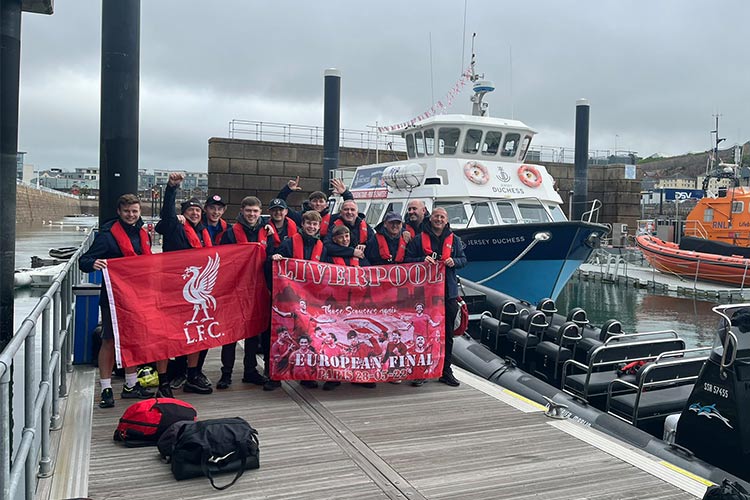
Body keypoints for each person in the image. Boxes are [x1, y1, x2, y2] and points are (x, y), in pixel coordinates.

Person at [79, 193, 157, 408]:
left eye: (134, 211)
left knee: (132, 339)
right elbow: (84, 261)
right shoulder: (107, 236)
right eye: (127, 211)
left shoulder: (144, 235)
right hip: (113, 297)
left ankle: (131, 385)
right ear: (119, 212)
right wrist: (93, 262)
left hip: (138, 296)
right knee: (109, 340)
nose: (131, 215)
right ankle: (106, 388)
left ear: (139, 212)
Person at [154, 172, 214, 395]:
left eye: (198, 211)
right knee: (169, 334)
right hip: (172, 290)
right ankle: (165, 380)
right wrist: (171, 188)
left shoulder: (203, 233)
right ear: (183, 213)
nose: (195, 213)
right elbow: (167, 213)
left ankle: (192, 375)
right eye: (191, 210)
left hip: (195, 294)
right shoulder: (174, 226)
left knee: (197, 332)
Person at [405, 207, 467, 387]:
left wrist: (454, 261)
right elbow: (408, 260)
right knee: (423, 333)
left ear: (446, 220)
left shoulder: (454, 240)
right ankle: (421, 371)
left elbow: (464, 260)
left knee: (447, 334)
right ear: (430, 218)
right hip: (425, 295)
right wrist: (421, 261)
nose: (439, 219)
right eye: (436, 216)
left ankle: (446, 371)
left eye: (442, 217)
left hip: (447, 294)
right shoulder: (418, 240)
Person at [268, 211, 329, 391]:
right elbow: (275, 262)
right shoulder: (288, 243)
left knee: (308, 340)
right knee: (282, 339)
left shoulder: (322, 247)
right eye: (308, 223)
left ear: (318, 227)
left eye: (314, 224)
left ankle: (306, 376)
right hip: (289, 299)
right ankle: (274, 376)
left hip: (310, 299)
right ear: (303, 224)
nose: (311, 227)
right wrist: (276, 258)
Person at [215, 195, 270, 389]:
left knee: (253, 333)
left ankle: (250, 371)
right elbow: (222, 259)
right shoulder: (231, 233)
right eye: (249, 211)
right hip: (236, 289)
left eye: (255, 211)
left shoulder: (267, 231)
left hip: (257, 287)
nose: (252, 214)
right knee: (230, 333)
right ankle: (226, 373)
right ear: (242, 211)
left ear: (260, 212)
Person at [277, 176, 353, 237]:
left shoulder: (332, 219)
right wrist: (287, 190)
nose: (318, 204)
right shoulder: (299, 216)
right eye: (315, 201)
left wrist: (345, 193)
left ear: (326, 204)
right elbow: (280, 205)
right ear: (309, 203)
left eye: (321, 201)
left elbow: (350, 211)